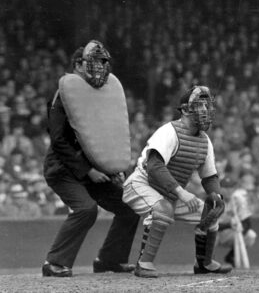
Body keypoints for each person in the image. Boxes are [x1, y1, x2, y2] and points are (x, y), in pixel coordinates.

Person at [42, 40, 140, 277]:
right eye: (94, 63)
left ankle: (109, 260)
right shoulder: (63, 94)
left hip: (95, 171)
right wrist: (88, 171)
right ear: (78, 64)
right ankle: (54, 263)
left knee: (130, 208)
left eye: (102, 64)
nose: (100, 69)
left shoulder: (101, 95)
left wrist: (111, 165)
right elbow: (58, 141)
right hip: (63, 169)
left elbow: (106, 136)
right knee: (86, 209)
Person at [122, 85, 232, 278]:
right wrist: (181, 192)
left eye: (207, 105)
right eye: (200, 105)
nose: (206, 110)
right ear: (186, 109)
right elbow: (155, 167)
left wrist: (215, 195)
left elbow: (209, 176)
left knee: (211, 211)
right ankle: (143, 263)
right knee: (163, 209)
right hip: (141, 183)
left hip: (169, 192)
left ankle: (205, 264)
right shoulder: (169, 131)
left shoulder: (204, 140)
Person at [217, 176, 257, 266]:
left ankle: (232, 257)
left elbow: (247, 222)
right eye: (225, 187)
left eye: (231, 187)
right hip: (216, 233)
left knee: (251, 235)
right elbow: (209, 224)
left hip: (231, 233)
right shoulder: (214, 200)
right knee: (208, 234)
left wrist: (240, 228)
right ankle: (205, 262)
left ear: (235, 188)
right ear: (220, 188)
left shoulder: (239, 200)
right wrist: (229, 225)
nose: (228, 190)